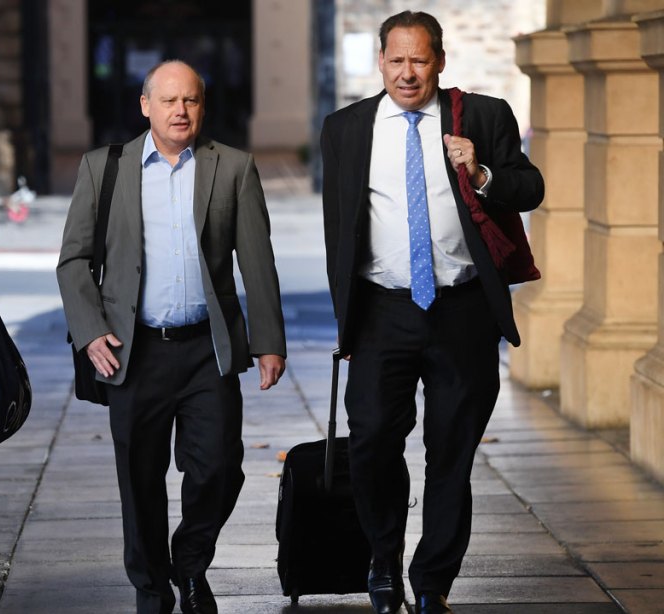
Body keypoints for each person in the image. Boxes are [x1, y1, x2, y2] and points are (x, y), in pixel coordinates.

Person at [320, 11, 544, 614]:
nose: (407, 72)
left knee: (451, 451)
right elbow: (339, 228)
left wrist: (482, 171)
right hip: (382, 309)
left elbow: (530, 188)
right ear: (381, 61)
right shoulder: (346, 128)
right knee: (371, 439)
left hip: (462, 310)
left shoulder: (484, 117)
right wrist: (347, 318)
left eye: (419, 60)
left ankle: (432, 581)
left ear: (439, 61)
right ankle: (383, 557)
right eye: (396, 60)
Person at [57, 60, 287, 614]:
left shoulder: (232, 167)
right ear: (146, 106)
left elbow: (258, 262)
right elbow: (74, 260)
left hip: (208, 349)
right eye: (168, 101)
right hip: (134, 351)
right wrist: (91, 332)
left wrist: (268, 341)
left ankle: (189, 560)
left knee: (219, 468)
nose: (180, 111)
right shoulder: (104, 168)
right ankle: (152, 590)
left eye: (190, 100)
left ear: (202, 106)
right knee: (139, 480)